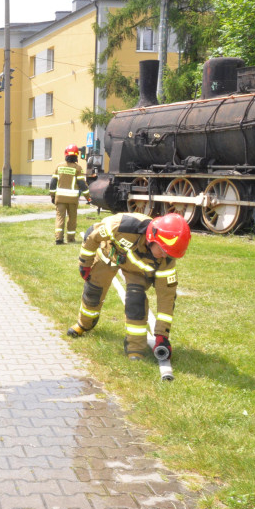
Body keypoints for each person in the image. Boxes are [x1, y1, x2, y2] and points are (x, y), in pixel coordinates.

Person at [66, 212, 191, 361]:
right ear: (152, 238)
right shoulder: (122, 226)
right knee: (92, 292)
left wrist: (162, 335)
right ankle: (83, 324)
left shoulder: (167, 260)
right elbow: (92, 235)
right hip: (107, 257)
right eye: (163, 251)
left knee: (136, 302)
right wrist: (85, 264)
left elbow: (167, 298)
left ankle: (135, 349)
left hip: (135, 271)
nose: (165, 256)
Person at [50, 144, 90, 245]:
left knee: (60, 217)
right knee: (72, 219)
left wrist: (52, 195)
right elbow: (82, 185)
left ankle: (59, 239)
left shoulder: (59, 166)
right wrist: (88, 198)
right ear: (76, 155)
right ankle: (70, 238)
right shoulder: (78, 168)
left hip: (60, 198)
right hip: (72, 199)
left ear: (65, 154)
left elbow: (53, 183)